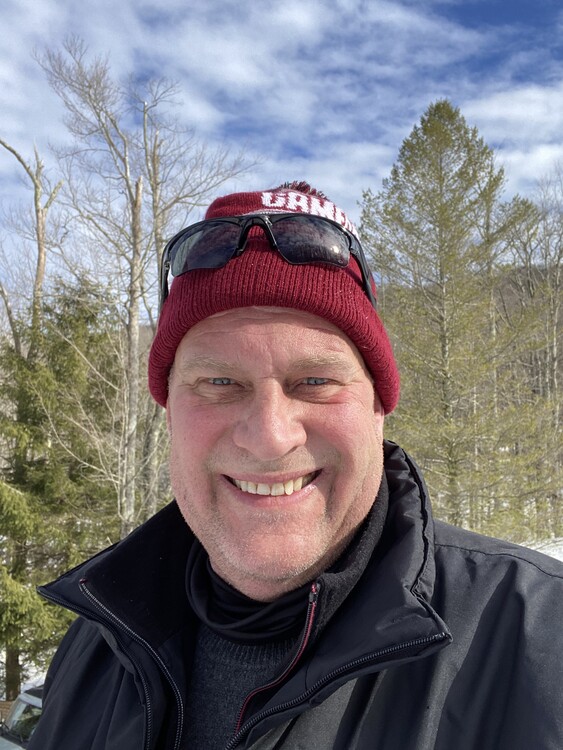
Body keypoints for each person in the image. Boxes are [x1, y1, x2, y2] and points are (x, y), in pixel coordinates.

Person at [29, 182, 563, 750]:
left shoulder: (540, 636)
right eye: (219, 382)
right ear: (169, 413)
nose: (270, 437)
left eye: (315, 381)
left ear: (378, 407)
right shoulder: (97, 641)